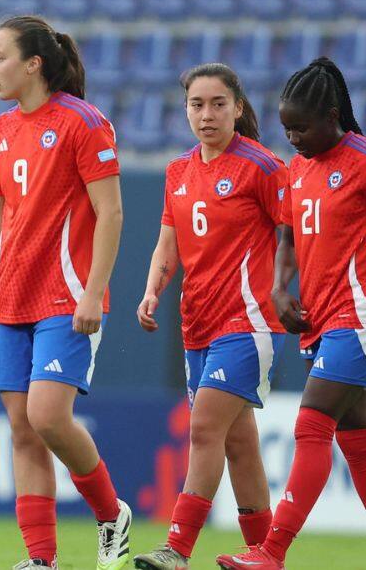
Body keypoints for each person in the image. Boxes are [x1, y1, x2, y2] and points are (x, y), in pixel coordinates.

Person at [0, 16, 131, 570]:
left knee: (48, 417)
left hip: (66, 297)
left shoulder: (84, 123)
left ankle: (112, 517)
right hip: (10, 299)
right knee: (21, 429)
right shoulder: (1, 129)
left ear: (33, 63)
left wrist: (94, 293)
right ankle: (41, 559)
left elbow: (110, 211)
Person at [217, 58, 366, 570]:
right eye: (287, 128)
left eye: (302, 127)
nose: (293, 137)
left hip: (362, 314)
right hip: (320, 320)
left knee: (311, 425)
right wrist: (278, 289)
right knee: (357, 440)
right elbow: (290, 237)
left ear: (333, 116)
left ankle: (272, 552)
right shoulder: (298, 170)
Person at [131, 65, 287, 570]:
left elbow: (294, 237)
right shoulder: (178, 171)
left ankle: (177, 548)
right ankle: (267, 555)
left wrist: (290, 292)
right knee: (239, 444)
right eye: (196, 105)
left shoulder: (262, 167)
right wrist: (152, 288)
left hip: (249, 323)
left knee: (202, 431)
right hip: (197, 326)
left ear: (238, 108)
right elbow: (168, 242)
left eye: (218, 103)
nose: (207, 114)